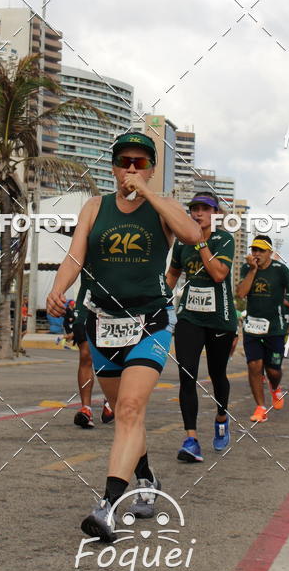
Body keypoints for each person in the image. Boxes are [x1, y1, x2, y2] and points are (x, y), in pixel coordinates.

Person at [46, 132, 201, 542]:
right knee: (124, 413)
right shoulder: (94, 207)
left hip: (149, 320)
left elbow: (191, 235)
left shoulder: (162, 207)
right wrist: (58, 289)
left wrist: (148, 193)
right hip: (102, 321)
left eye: (140, 162)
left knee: (130, 408)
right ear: (113, 167)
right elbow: (77, 254)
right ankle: (148, 480)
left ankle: (107, 507)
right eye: (124, 162)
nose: (131, 168)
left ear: (150, 168)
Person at [166, 192, 238, 463]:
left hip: (220, 319)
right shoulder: (182, 244)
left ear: (215, 214)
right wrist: (161, 300)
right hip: (190, 318)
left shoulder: (224, 240)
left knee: (218, 374)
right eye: (194, 209)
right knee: (187, 374)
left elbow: (219, 274)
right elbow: (173, 274)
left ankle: (221, 416)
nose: (198, 214)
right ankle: (191, 439)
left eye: (204, 209)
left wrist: (200, 244)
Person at [237, 235, 289, 423]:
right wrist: (252, 270)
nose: (256, 254)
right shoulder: (246, 268)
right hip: (252, 327)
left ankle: (275, 388)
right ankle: (260, 407)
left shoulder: (280, 270)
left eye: (261, 250)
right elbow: (241, 294)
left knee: (273, 370)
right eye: (254, 250)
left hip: (275, 328)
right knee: (254, 366)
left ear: (270, 253)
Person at [72, 272, 114, 428]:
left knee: (112, 357)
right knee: (85, 355)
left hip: (115, 304)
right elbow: (72, 264)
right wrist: (57, 290)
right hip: (86, 303)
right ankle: (86, 409)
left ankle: (110, 401)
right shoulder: (84, 246)